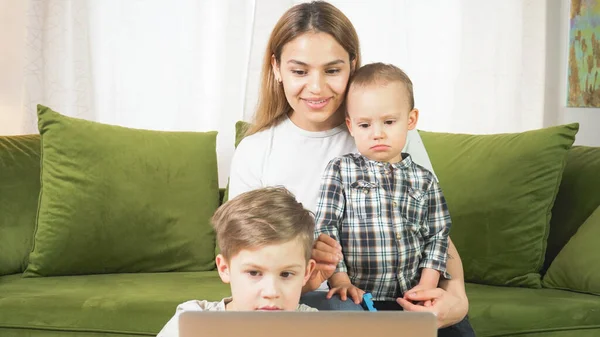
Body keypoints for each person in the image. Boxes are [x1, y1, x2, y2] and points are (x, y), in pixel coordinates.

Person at [228, 0, 472, 332]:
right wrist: (310, 279)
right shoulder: (256, 150)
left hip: (405, 295)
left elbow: (432, 227)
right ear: (277, 68)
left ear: (353, 65)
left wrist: (456, 296)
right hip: (311, 299)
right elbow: (247, 265)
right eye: (299, 71)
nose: (316, 87)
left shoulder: (384, 134)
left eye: (332, 70)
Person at [314, 62, 463, 330]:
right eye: (365, 124)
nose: (378, 133)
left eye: (389, 122)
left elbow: (438, 236)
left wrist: (426, 287)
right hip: (360, 294)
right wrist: (341, 281)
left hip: (411, 292)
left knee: (458, 329)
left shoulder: (424, 179)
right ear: (350, 125)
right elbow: (326, 230)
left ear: (411, 120)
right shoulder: (340, 171)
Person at [157, 187, 318, 337]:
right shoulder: (192, 321)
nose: (271, 292)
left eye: (286, 274)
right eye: (254, 273)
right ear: (224, 268)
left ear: (306, 272)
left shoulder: (315, 325)